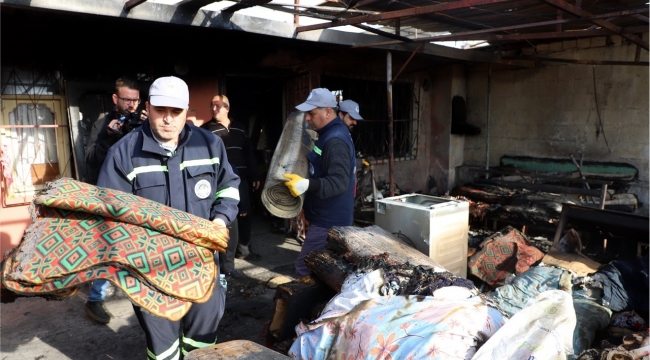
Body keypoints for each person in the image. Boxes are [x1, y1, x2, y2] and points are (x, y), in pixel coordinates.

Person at [96, 76, 240, 358]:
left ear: (186, 111)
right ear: (148, 107)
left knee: (203, 343)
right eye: (161, 110)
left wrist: (220, 221)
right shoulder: (124, 154)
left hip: (203, 267)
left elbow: (229, 187)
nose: (167, 119)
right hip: (151, 276)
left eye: (176, 112)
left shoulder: (210, 145)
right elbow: (109, 215)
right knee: (163, 351)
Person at [83, 76, 148, 324]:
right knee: (108, 248)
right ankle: (95, 299)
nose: (132, 104)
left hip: (140, 196)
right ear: (115, 98)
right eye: (126, 99)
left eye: (136, 100)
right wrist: (109, 136)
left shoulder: (145, 123)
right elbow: (90, 159)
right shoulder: (102, 125)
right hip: (110, 197)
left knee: (141, 246)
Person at [283, 88, 356, 277]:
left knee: (304, 268)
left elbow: (339, 182)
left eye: (312, 113)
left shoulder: (335, 140)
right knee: (326, 270)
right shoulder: (327, 134)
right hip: (323, 217)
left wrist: (305, 185)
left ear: (328, 112)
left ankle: (310, 307)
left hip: (329, 221)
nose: (308, 118)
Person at [201, 95, 261, 277]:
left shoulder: (240, 128)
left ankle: (244, 248)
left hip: (241, 178)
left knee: (245, 214)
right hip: (221, 180)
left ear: (227, 108)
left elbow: (249, 153)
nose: (214, 109)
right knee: (228, 218)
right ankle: (226, 260)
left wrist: (254, 174)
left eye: (218, 106)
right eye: (211, 106)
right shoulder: (206, 130)